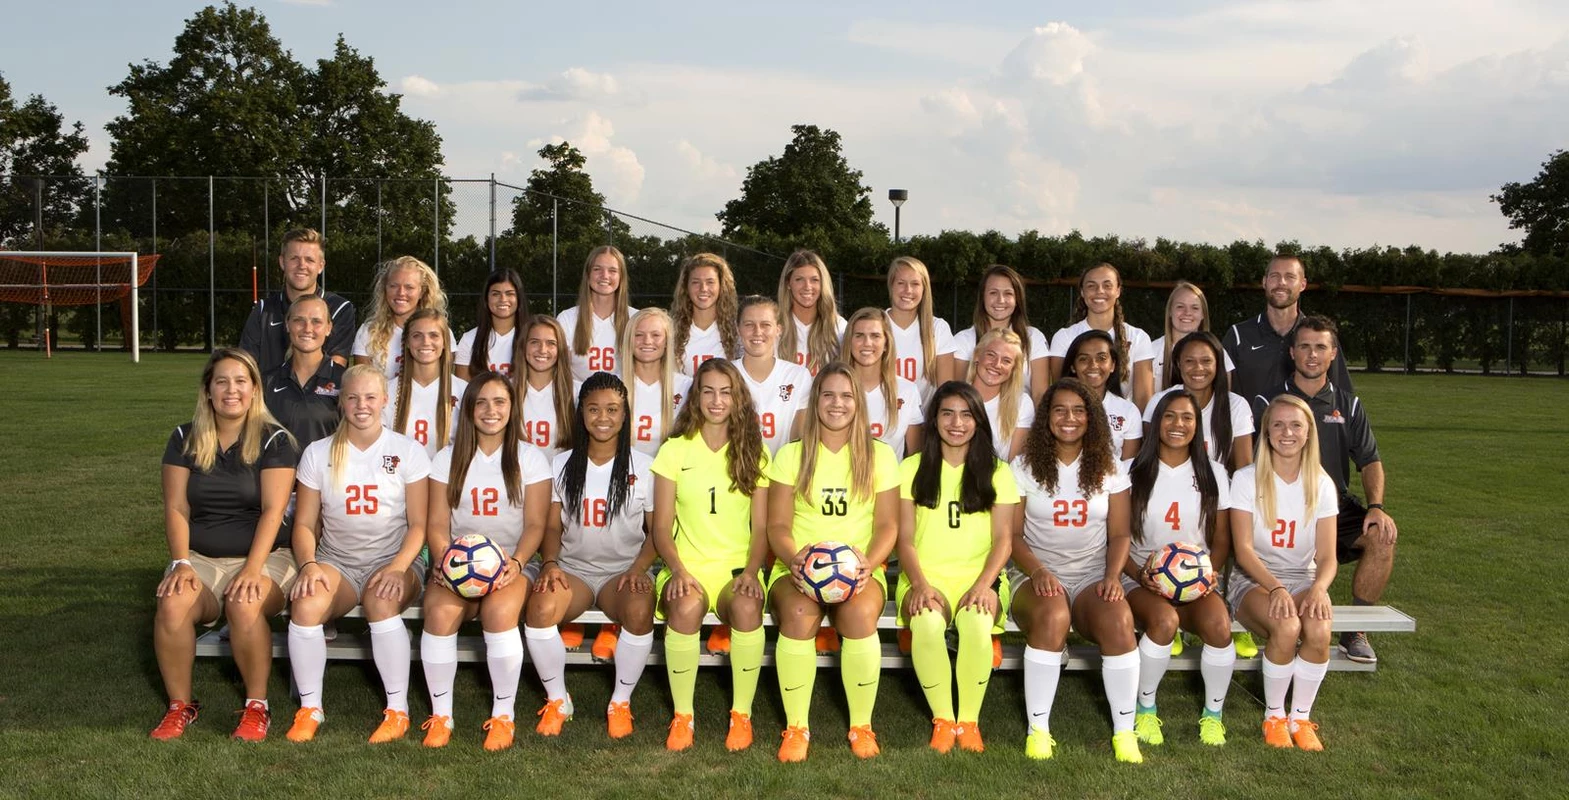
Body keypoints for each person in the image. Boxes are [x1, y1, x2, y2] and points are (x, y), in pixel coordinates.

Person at [151, 349, 300, 742]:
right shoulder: (184, 437)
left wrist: (252, 570)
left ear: (254, 389)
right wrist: (181, 562)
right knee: (173, 602)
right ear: (208, 390)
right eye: (222, 381)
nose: (231, 390)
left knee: (244, 601)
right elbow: (177, 507)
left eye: (240, 381)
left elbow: (273, 511)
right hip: (201, 557)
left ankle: (256, 708)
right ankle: (180, 706)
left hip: (268, 556)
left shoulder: (275, 440)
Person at [284, 365, 431, 744]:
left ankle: (398, 710)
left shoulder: (407, 450)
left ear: (385, 401)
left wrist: (398, 568)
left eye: (370, 397)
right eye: (352, 397)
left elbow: (419, 525)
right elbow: (303, 525)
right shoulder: (318, 453)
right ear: (341, 401)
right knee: (305, 604)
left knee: (381, 601)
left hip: (396, 558)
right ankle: (310, 707)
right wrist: (309, 565)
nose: (361, 405)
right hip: (338, 560)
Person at [767, 363, 900, 762]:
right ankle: (796, 727)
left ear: (858, 404)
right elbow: (776, 525)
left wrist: (867, 565)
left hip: (860, 569)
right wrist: (796, 561)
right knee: (799, 612)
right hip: (795, 568)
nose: (836, 403)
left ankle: (861, 725)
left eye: (846, 396)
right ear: (816, 401)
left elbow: (888, 526)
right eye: (828, 395)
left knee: (858, 617)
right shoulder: (792, 455)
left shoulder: (879, 455)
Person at [1008, 378, 1143, 763]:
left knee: (1119, 622)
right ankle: (1039, 730)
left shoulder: (1108, 466)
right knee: (1052, 616)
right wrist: (1037, 572)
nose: (1069, 418)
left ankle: (1124, 731)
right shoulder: (1026, 465)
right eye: (1060, 410)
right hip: (1035, 572)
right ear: (1046, 417)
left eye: (1079, 410)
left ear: (1092, 417)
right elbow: (1013, 535)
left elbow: (1119, 534)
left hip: (1091, 573)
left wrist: (1113, 577)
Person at [1251, 316, 1396, 664]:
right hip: (1277, 502)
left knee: (1381, 537)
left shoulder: (1349, 404)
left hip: (1331, 507)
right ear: (1293, 352)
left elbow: (1370, 459)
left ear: (1333, 354)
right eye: (1305, 346)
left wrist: (1376, 506)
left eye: (1320, 347)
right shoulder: (1269, 401)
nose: (1312, 354)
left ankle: (1355, 632)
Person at [418, 372, 551, 750]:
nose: (491, 411)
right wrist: (444, 562)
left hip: (510, 564)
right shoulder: (447, 457)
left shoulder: (529, 457)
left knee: (497, 614)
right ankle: (441, 715)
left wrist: (518, 562)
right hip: (456, 565)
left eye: (500, 402)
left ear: (512, 409)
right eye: (482, 402)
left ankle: (503, 714)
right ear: (469, 409)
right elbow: (438, 523)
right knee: (440, 614)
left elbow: (536, 524)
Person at [526, 373, 658, 741]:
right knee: (539, 610)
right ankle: (557, 699)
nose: (603, 417)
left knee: (638, 609)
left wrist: (638, 569)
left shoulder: (644, 467)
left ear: (625, 414)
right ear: (581, 413)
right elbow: (551, 528)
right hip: (575, 571)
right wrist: (550, 564)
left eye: (613, 409)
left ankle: (620, 701)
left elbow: (658, 533)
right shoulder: (561, 464)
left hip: (622, 572)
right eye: (594, 408)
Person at [650, 358, 771, 753]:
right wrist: (679, 570)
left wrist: (752, 572)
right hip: (687, 564)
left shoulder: (755, 450)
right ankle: (683, 716)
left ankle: (741, 714)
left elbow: (762, 529)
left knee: (748, 607)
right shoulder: (674, 450)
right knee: (684, 608)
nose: (716, 400)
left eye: (725, 392)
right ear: (695, 397)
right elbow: (661, 527)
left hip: (736, 567)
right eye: (708, 391)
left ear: (738, 399)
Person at [896, 381, 1018, 754]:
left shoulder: (998, 471)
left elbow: (1003, 540)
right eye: (947, 413)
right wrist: (918, 584)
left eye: (966, 415)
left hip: (979, 576)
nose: (957, 423)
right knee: (929, 625)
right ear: (933, 420)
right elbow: (904, 539)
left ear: (979, 422)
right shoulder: (911, 468)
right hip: (924, 576)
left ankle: (969, 720)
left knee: (978, 625)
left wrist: (985, 584)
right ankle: (944, 719)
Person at [1122, 389, 1235, 747]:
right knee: (1164, 621)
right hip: (1139, 577)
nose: (1178, 424)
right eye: (1169, 416)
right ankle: (1146, 708)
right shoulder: (1132, 470)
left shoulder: (1213, 472)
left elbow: (1220, 540)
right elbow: (1116, 537)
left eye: (1187, 417)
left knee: (1220, 625)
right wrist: (1138, 573)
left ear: (1197, 426)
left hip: (1195, 581)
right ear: (1157, 423)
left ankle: (1213, 715)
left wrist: (1206, 575)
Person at [1228, 395, 1340, 751]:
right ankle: (1274, 716)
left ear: (1308, 433)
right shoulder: (1247, 479)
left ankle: (1301, 718)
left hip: (1303, 578)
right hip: (1254, 580)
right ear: (1266, 432)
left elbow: (1328, 556)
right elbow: (1243, 552)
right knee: (1288, 625)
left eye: (1296, 425)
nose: (1286, 432)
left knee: (1319, 628)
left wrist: (1319, 589)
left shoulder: (1321, 483)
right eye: (1277, 424)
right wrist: (1275, 588)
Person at [1223, 253, 1354, 404]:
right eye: (1275, 276)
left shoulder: (1321, 336)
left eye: (1290, 277)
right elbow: (1221, 395)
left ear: (1303, 284)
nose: (1281, 283)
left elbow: (1341, 399)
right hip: (1252, 428)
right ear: (1264, 282)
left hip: (1304, 427)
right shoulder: (1238, 335)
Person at [239, 228, 354, 374]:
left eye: (310, 260)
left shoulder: (339, 308)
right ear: (282, 262)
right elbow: (245, 365)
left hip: (317, 397)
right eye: (294, 258)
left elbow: (336, 367)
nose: (302, 265)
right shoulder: (263, 310)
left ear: (320, 266)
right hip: (268, 396)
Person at [1049, 263, 1156, 411]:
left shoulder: (1138, 337)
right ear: (1082, 292)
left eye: (1107, 285)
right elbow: (1059, 390)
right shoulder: (1064, 337)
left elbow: (1144, 398)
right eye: (1091, 286)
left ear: (1118, 290)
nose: (1099, 291)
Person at [1144, 332, 1253, 474]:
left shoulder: (1236, 405)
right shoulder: (1159, 401)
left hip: (1218, 490)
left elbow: (1244, 469)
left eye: (1206, 361)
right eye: (1189, 361)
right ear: (1178, 363)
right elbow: (1148, 459)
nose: (1198, 368)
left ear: (1218, 364)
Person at [952, 265, 1050, 404]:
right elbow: (958, 392)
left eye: (1008, 293)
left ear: (1017, 300)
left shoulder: (1033, 338)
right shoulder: (962, 340)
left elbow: (1040, 394)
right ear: (982, 297)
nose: (1000, 300)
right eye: (993, 293)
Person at [262, 295, 346, 447]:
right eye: (299, 320)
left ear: (328, 328)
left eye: (316, 321)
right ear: (287, 325)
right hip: (277, 469)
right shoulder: (266, 382)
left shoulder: (345, 381)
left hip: (328, 469)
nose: (307, 328)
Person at [385, 309, 465, 459]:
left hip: (448, 479)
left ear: (444, 342)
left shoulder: (463, 391)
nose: (426, 342)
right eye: (417, 336)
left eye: (434, 335)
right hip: (401, 479)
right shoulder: (387, 391)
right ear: (407, 342)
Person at [353, 255, 449, 380]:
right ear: (385, 289)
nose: (401, 293)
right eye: (393, 286)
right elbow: (362, 385)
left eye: (409, 287)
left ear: (422, 291)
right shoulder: (368, 331)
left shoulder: (440, 332)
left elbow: (445, 381)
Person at [845, 307, 924, 458]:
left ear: (887, 344)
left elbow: (914, 457)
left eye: (875, 336)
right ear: (849, 342)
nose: (867, 343)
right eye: (859, 336)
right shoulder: (834, 389)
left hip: (891, 481)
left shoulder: (906, 391)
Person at [738, 295, 810, 456]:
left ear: (778, 329)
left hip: (782, 474)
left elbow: (799, 437)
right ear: (738, 329)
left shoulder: (798, 376)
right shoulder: (726, 374)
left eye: (765, 325)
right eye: (749, 325)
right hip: (734, 473)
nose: (757, 332)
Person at [1059, 330, 1143, 461]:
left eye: (1101, 358)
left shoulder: (1128, 411)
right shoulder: (1055, 407)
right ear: (1073, 367)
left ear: (1113, 365)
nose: (1093, 365)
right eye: (1083, 359)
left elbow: (1128, 466)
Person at [621, 307, 692, 458]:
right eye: (639, 335)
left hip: (669, 475)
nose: (647, 341)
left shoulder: (686, 387)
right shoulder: (613, 385)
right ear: (629, 340)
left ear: (667, 341)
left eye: (656, 335)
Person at [559, 246, 636, 382]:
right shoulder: (567, 319)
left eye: (612, 270)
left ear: (621, 277)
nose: (605, 275)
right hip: (578, 401)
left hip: (623, 401)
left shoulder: (636, 319)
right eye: (597, 269)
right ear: (587, 275)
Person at [885, 256, 956, 401]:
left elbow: (946, 391)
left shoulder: (938, 328)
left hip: (923, 421)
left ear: (924, 289)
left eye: (915, 284)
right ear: (891, 285)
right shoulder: (875, 325)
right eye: (901, 283)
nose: (908, 290)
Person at [1152, 281, 1233, 391]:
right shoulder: (1151, 351)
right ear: (1170, 311)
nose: (1187, 313)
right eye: (1180, 306)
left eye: (1195, 308)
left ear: (1203, 314)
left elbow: (1224, 396)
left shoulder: (1217, 351)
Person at [776, 250, 846, 375]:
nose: (807, 286)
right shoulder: (774, 327)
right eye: (799, 279)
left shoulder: (839, 328)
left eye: (814, 280)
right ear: (788, 284)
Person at [517, 314, 576, 461]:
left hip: (561, 480)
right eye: (535, 342)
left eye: (551, 343)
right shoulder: (506, 391)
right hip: (517, 480)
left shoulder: (577, 392)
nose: (542, 350)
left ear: (561, 349)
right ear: (523, 346)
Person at [967, 329, 1033, 460]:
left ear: (1014, 369)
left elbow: (1014, 466)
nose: (997, 364)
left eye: (1006, 361)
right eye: (991, 355)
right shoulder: (953, 398)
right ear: (976, 356)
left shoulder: (1022, 404)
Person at [671, 252, 739, 376]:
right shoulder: (671, 330)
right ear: (686, 287)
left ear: (721, 286)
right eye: (696, 282)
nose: (703, 288)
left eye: (710, 282)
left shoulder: (736, 331)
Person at [454, 268, 526, 380]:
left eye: (509, 294)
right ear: (486, 299)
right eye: (496, 294)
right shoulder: (469, 340)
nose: (503, 299)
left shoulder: (531, 337)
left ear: (519, 298)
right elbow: (463, 391)